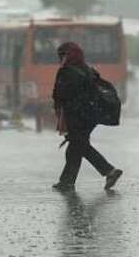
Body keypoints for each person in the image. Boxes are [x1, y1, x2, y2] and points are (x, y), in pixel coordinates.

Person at [52, 42, 123, 191]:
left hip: (76, 115)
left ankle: (109, 170)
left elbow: (59, 94)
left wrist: (58, 109)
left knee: (80, 145)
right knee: (76, 147)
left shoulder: (66, 71)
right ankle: (66, 182)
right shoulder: (89, 70)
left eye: (62, 55)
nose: (60, 58)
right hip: (91, 115)